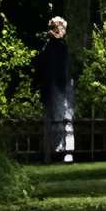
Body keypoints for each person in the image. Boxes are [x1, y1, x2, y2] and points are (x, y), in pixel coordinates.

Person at [33, 14, 76, 163]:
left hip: (62, 85)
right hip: (54, 85)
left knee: (65, 118)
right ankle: (56, 150)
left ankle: (65, 151)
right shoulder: (50, 46)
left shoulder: (61, 46)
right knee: (56, 118)